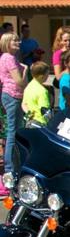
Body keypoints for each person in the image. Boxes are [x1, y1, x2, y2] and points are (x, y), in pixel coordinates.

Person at [0, 33, 26, 172]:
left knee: (13, 131)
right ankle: (10, 168)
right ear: (7, 43)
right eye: (14, 40)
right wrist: (25, 71)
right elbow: (19, 81)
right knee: (13, 132)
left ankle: (13, 165)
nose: (18, 42)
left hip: (9, 95)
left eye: (18, 39)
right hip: (12, 95)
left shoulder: (6, 58)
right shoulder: (9, 58)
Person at [21, 61, 51, 127]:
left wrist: (29, 113)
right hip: (40, 123)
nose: (48, 76)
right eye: (47, 74)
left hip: (30, 122)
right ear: (42, 76)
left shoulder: (28, 87)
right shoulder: (42, 91)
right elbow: (45, 110)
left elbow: (24, 104)